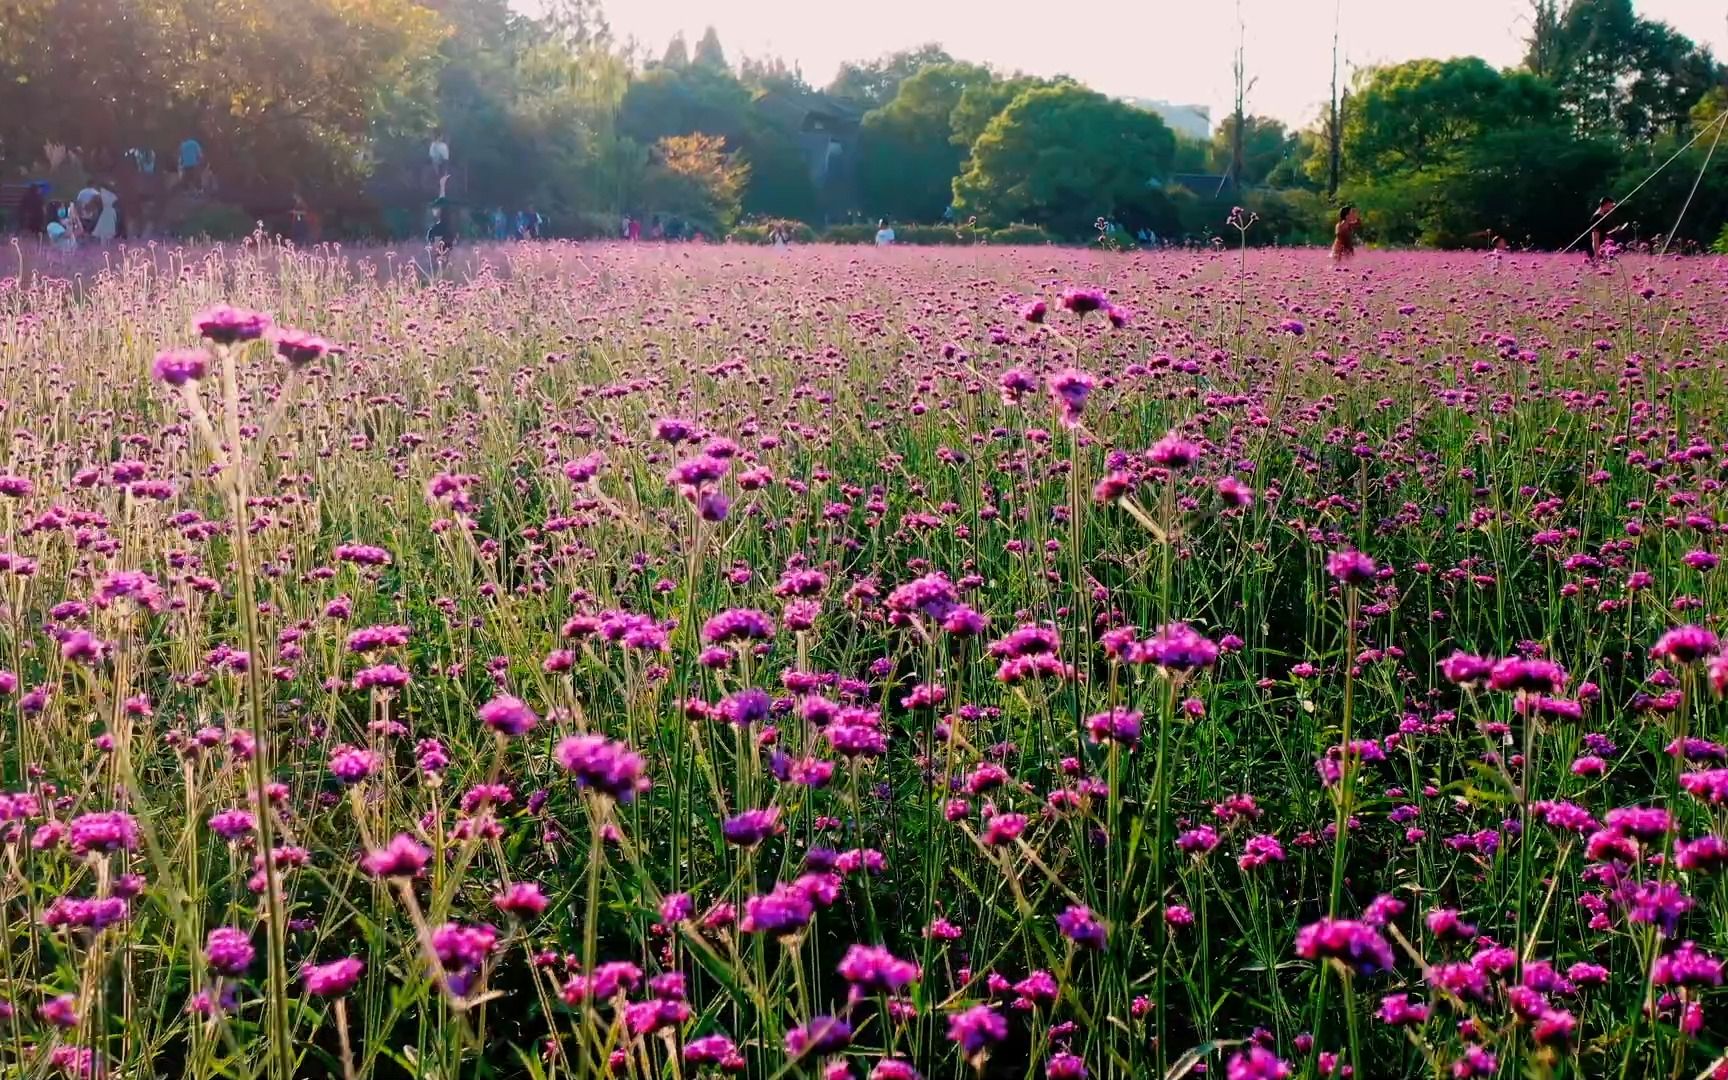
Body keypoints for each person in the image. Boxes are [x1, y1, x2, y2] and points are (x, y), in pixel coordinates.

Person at [1588, 197, 1626, 261]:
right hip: (1597, 251)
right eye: (1611, 205)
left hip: (1602, 249)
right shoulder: (1597, 217)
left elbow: (1603, 233)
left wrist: (1614, 230)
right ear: (1607, 204)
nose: (1612, 208)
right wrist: (1596, 255)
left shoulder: (1602, 216)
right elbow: (1595, 237)